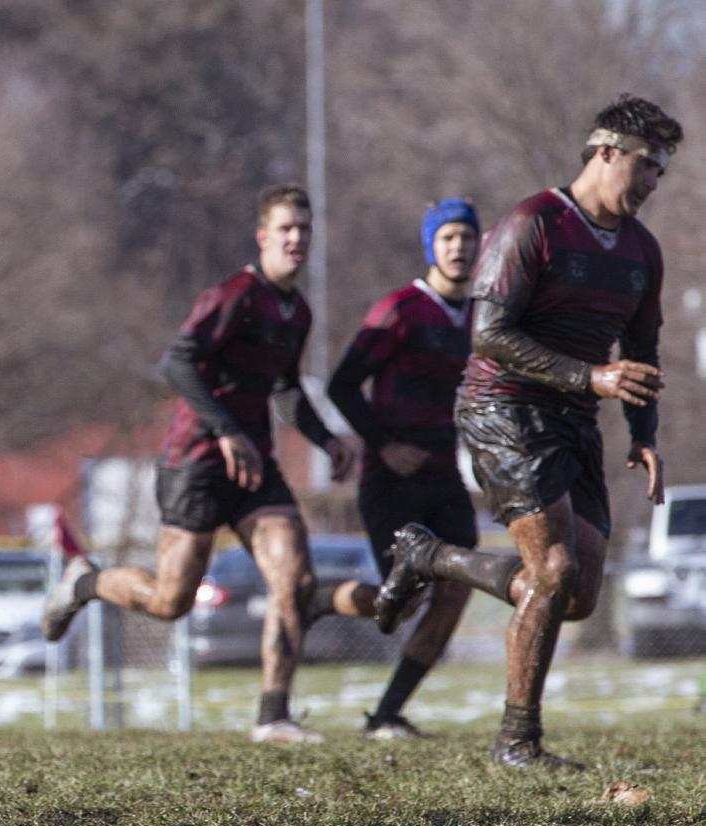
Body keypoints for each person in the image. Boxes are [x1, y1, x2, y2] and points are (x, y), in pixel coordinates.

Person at [376, 96, 678, 769]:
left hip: (572, 418)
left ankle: (431, 557)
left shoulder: (641, 251)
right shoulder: (532, 223)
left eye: (662, 172)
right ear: (605, 152)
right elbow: (488, 334)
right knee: (554, 568)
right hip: (501, 405)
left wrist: (644, 433)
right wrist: (590, 378)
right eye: (647, 165)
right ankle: (517, 742)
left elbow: (643, 348)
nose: (654, 181)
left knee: (574, 594)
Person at [41, 183, 375, 745]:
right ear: (263, 236)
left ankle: (273, 716)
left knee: (293, 580)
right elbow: (177, 364)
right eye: (286, 228)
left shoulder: (297, 311)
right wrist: (224, 431)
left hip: (254, 467)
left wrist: (327, 439)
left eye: (305, 229)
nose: (297, 238)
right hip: (194, 461)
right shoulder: (235, 295)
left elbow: (287, 392)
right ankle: (85, 582)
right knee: (171, 601)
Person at [325, 199, 483, 740]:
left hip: (445, 477)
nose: (458, 247)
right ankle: (320, 597)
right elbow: (340, 384)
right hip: (391, 479)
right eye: (447, 238)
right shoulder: (399, 309)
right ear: (431, 247)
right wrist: (384, 445)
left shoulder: (483, 316)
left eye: (466, 237)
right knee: (405, 597)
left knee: (457, 590)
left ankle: (387, 714)